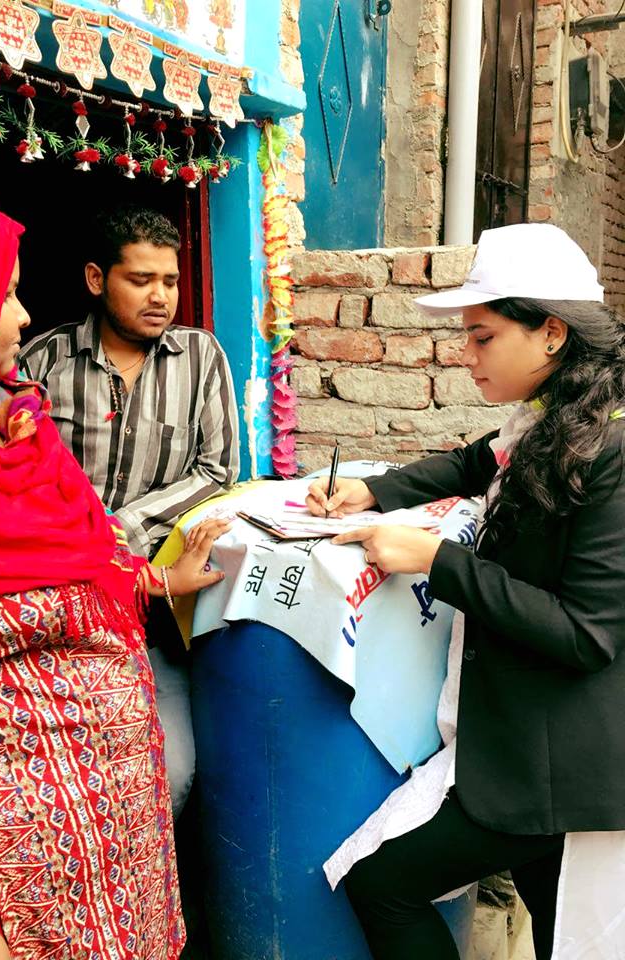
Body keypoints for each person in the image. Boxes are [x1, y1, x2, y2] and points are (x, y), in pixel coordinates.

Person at [0, 181, 229, 960]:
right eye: (0, 293)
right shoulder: (41, 370)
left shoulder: (11, 420)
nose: (20, 314)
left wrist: (153, 580)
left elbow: (73, 561)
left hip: (115, 883)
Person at [306, 223, 625, 960]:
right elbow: (473, 463)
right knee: (555, 930)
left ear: (550, 333)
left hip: (564, 761)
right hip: (529, 734)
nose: (465, 354)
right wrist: (370, 490)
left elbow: (589, 633)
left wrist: (434, 560)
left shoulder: (609, 447)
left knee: (384, 884)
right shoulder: (553, 417)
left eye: (481, 337)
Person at [20, 206, 239, 818]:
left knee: (169, 774)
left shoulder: (200, 359)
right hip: (56, 600)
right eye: (140, 280)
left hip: (153, 606)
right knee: (52, 774)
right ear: (97, 280)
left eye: (169, 282)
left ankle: (147, 900)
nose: (160, 297)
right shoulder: (43, 362)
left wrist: (117, 533)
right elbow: (13, 476)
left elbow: (217, 472)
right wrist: (80, 542)